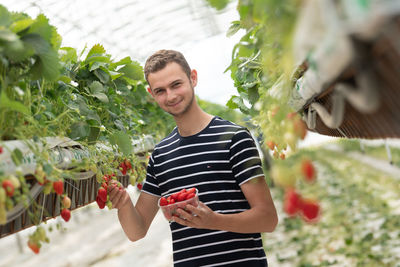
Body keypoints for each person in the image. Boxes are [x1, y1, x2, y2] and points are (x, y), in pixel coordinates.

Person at [108, 49, 278, 266]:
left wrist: (214, 220)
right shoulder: (160, 156)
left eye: (176, 84)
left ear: (193, 78)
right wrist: (123, 203)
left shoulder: (234, 138)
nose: (170, 96)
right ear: (152, 94)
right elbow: (137, 231)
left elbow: (268, 218)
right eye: (160, 90)